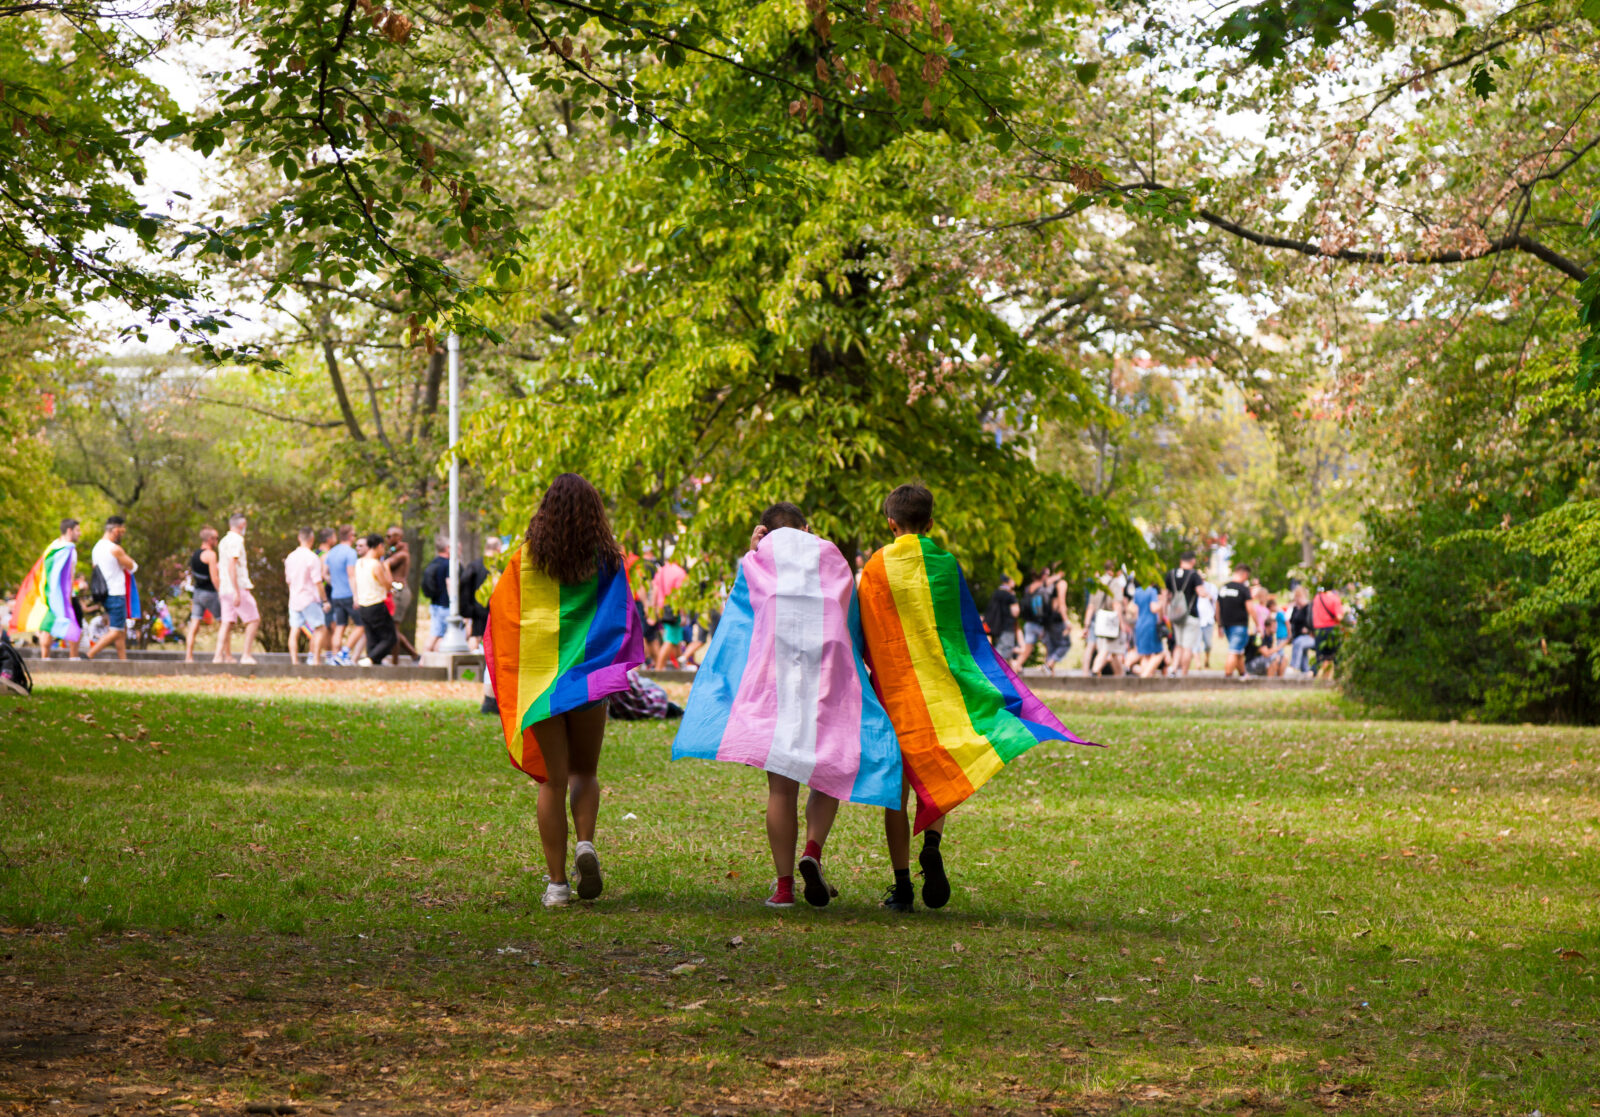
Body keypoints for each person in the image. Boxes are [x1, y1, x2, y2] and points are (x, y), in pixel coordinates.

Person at [855, 484, 1097, 913]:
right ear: (930, 524)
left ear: (890, 524)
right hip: (943, 692)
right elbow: (963, 633)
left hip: (898, 693)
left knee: (897, 790)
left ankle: (902, 886)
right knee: (942, 764)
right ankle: (931, 842)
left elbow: (868, 628)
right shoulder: (945, 564)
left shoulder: (876, 567)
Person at [674, 502, 901, 909]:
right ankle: (812, 851)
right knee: (827, 766)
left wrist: (753, 548)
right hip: (827, 669)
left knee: (781, 788)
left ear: (765, 531)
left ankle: (783, 888)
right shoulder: (830, 554)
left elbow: (741, 610)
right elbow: (850, 614)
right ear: (807, 527)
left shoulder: (757, 561)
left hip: (775, 672)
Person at [484, 474, 646, 908]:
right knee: (585, 773)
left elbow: (503, 621)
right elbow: (622, 618)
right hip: (589, 682)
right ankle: (586, 844)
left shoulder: (523, 562)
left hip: (542, 688)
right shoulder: (609, 563)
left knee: (552, 783)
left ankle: (557, 885)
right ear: (594, 513)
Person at [7, 518, 83, 660]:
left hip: (48, 594)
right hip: (64, 595)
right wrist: (68, 599)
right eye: (78, 530)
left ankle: (45, 657)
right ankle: (74, 657)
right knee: (75, 621)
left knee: (47, 624)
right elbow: (69, 577)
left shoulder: (52, 547)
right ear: (69, 530)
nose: (80, 533)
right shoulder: (69, 549)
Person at [86, 516, 137, 661]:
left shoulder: (96, 548)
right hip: (116, 593)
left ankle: (123, 662)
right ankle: (90, 654)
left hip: (104, 594)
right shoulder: (114, 549)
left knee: (120, 632)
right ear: (115, 530)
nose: (122, 535)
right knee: (116, 631)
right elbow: (133, 566)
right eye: (122, 531)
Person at [213, 513, 260, 665]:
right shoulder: (237, 540)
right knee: (253, 619)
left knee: (227, 622)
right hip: (235, 587)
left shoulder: (223, 541)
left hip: (224, 588)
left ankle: (218, 656)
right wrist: (237, 591)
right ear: (242, 525)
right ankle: (246, 655)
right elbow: (231, 565)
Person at [284, 527, 329, 666]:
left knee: (294, 629)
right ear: (312, 539)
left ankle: (294, 661)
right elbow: (317, 581)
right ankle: (315, 660)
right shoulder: (312, 557)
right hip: (309, 598)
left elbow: (288, 580)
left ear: (299, 538)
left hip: (294, 598)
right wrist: (325, 600)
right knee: (320, 628)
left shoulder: (291, 557)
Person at [354, 533, 397, 665]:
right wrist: (387, 568)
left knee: (372, 638)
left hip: (363, 605)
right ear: (379, 546)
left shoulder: (359, 562)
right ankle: (370, 659)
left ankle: (373, 663)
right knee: (390, 638)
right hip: (376, 604)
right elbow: (388, 585)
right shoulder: (375, 565)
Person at [1163, 552, 1206, 677]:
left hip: (1176, 615)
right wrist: (1209, 595)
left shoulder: (1171, 574)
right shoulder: (1194, 575)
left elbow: (1166, 595)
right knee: (1187, 647)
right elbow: (1201, 592)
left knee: (1179, 645)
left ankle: (1174, 669)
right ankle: (1184, 674)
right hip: (1190, 615)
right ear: (1192, 561)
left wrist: (1165, 612)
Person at [322, 526, 360, 665]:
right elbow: (351, 576)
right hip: (348, 594)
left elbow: (325, 573)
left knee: (339, 626)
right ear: (350, 536)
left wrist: (334, 583)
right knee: (361, 625)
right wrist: (356, 595)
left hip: (336, 595)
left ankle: (334, 657)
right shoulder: (350, 553)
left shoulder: (332, 552)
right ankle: (344, 654)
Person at [1084, 564, 1125, 677]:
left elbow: (1091, 606)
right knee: (1106, 649)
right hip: (1111, 621)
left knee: (1114, 651)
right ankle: (1095, 670)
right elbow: (1116, 605)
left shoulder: (1096, 584)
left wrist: (1086, 625)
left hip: (1099, 620)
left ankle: (1120, 678)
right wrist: (1122, 624)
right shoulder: (1115, 583)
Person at [1216, 564, 1253, 679]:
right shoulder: (1243, 589)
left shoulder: (1224, 588)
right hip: (1239, 625)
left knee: (1239, 651)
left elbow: (1217, 607)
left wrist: (1219, 624)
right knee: (1234, 651)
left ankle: (1243, 673)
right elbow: (1250, 607)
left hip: (1226, 624)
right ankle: (1228, 676)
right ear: (1245, 575)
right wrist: (1258, 623)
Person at [421, 533, 452, 654]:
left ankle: (432, 660)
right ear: (447, 548)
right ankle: (423, 660)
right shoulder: (447, 564)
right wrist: (453, 601)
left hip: (435, 604)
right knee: (435, 634)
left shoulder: (433, 563)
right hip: (445, 606)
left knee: (440, 635)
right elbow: (449, 583)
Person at [1130, 579, 1168, 677]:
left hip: (1139, 625)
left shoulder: (1137, 591)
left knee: (1146, 655)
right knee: (1159, 653)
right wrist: (1162, 601)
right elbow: (1154, 608)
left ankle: (1146, 675)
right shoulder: (1152, 591)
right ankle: (1145, 676)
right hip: (1150, 625)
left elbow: (1134, 610)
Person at [1012, 570, 1047, 670]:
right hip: (1040, 622)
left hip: (1028, 622)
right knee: (1049, 644)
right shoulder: (1043, 587)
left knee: (1028, 648)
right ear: (1043, 575)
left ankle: (1016, 666)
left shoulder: (1028, 588)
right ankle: (1049, 667)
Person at [984, 574, 1021, 663]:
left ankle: (1010, 675)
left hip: (996, 627)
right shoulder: (1009, 595)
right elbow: (1015, 612)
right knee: (1003, 654)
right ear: (1009, 581)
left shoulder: (996, 592)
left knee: (1003, 653)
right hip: (1007, 627)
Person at [1311, 582, 1346, 677]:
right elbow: (1339, 617)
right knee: (1335, 657)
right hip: (1332, 630)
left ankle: (1315, 679)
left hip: (1318, 630)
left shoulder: (1317, 598)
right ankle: (1338, 679)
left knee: (1320, 658)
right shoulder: (1335, 599)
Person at [1288, 585, 1317, 675]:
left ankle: (1293, 667)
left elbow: (1312, 622)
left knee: (1299, 643)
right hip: (1297, 636)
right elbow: (1291, 621)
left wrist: (1308, 630)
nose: (1297, 599)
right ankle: (1305, 672)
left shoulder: (1308, 608)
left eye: (1299, 597)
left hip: (1308, 637)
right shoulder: (1295, 609)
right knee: (1303, 655)